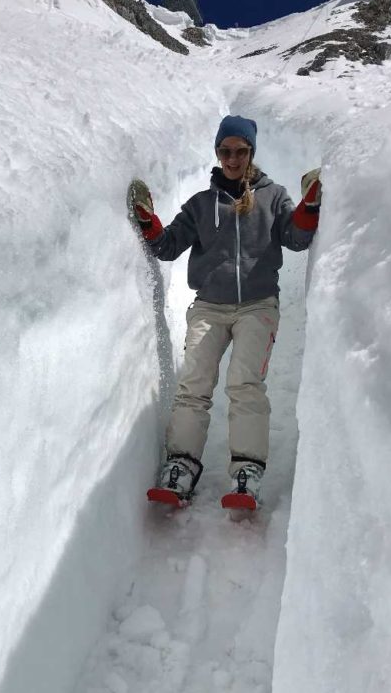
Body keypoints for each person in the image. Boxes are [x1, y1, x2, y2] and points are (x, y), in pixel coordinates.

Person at [135, 114, 321, 508]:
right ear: (217, 154)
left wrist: (310, 204)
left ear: (251, 152)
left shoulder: (273, 197)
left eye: (240, 150)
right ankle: (181, 465)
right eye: (225, 151)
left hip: (258, 306)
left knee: (244, 383)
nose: (233, 158)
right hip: (209, 306)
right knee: (194, 384)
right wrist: (149, 221)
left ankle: (246, 471)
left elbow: (296, 237)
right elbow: (167, 246)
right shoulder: (202, 205)